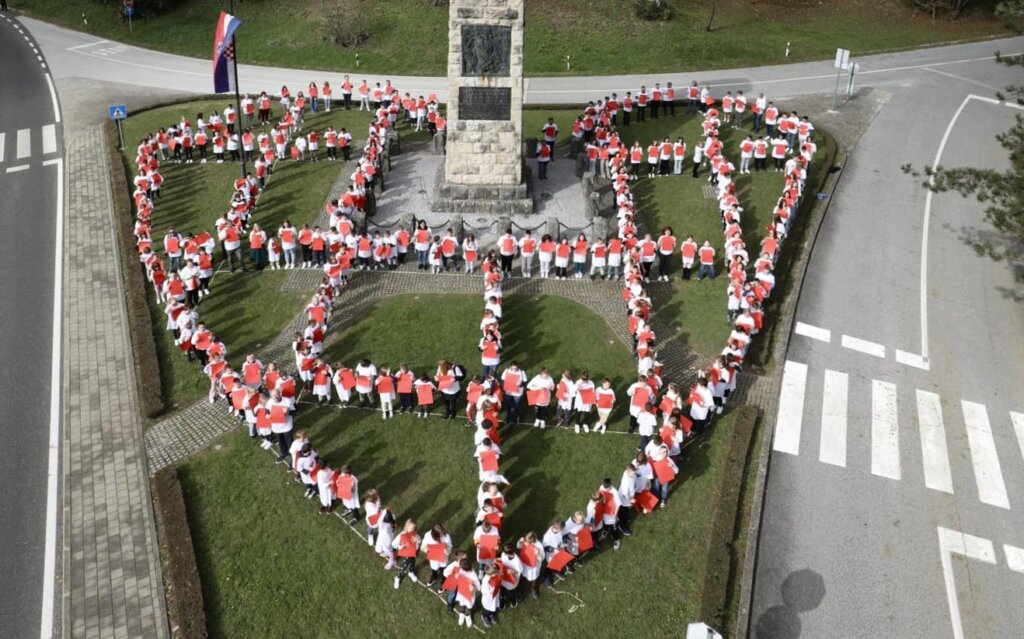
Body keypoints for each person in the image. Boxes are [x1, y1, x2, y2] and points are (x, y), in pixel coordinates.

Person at [392, 519, 421, 589]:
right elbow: (393, 544)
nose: (412, 530)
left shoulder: (415, 534)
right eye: (411, 528)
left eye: (414, 528)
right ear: (406, 527)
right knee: (404, 566)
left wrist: (417, 540)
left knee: (413, 563)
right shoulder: (402, 535)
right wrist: (401, 546)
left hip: (413, 553)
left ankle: (411, 572)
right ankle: (397, 577)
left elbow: (419, 541)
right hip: (406, 554)